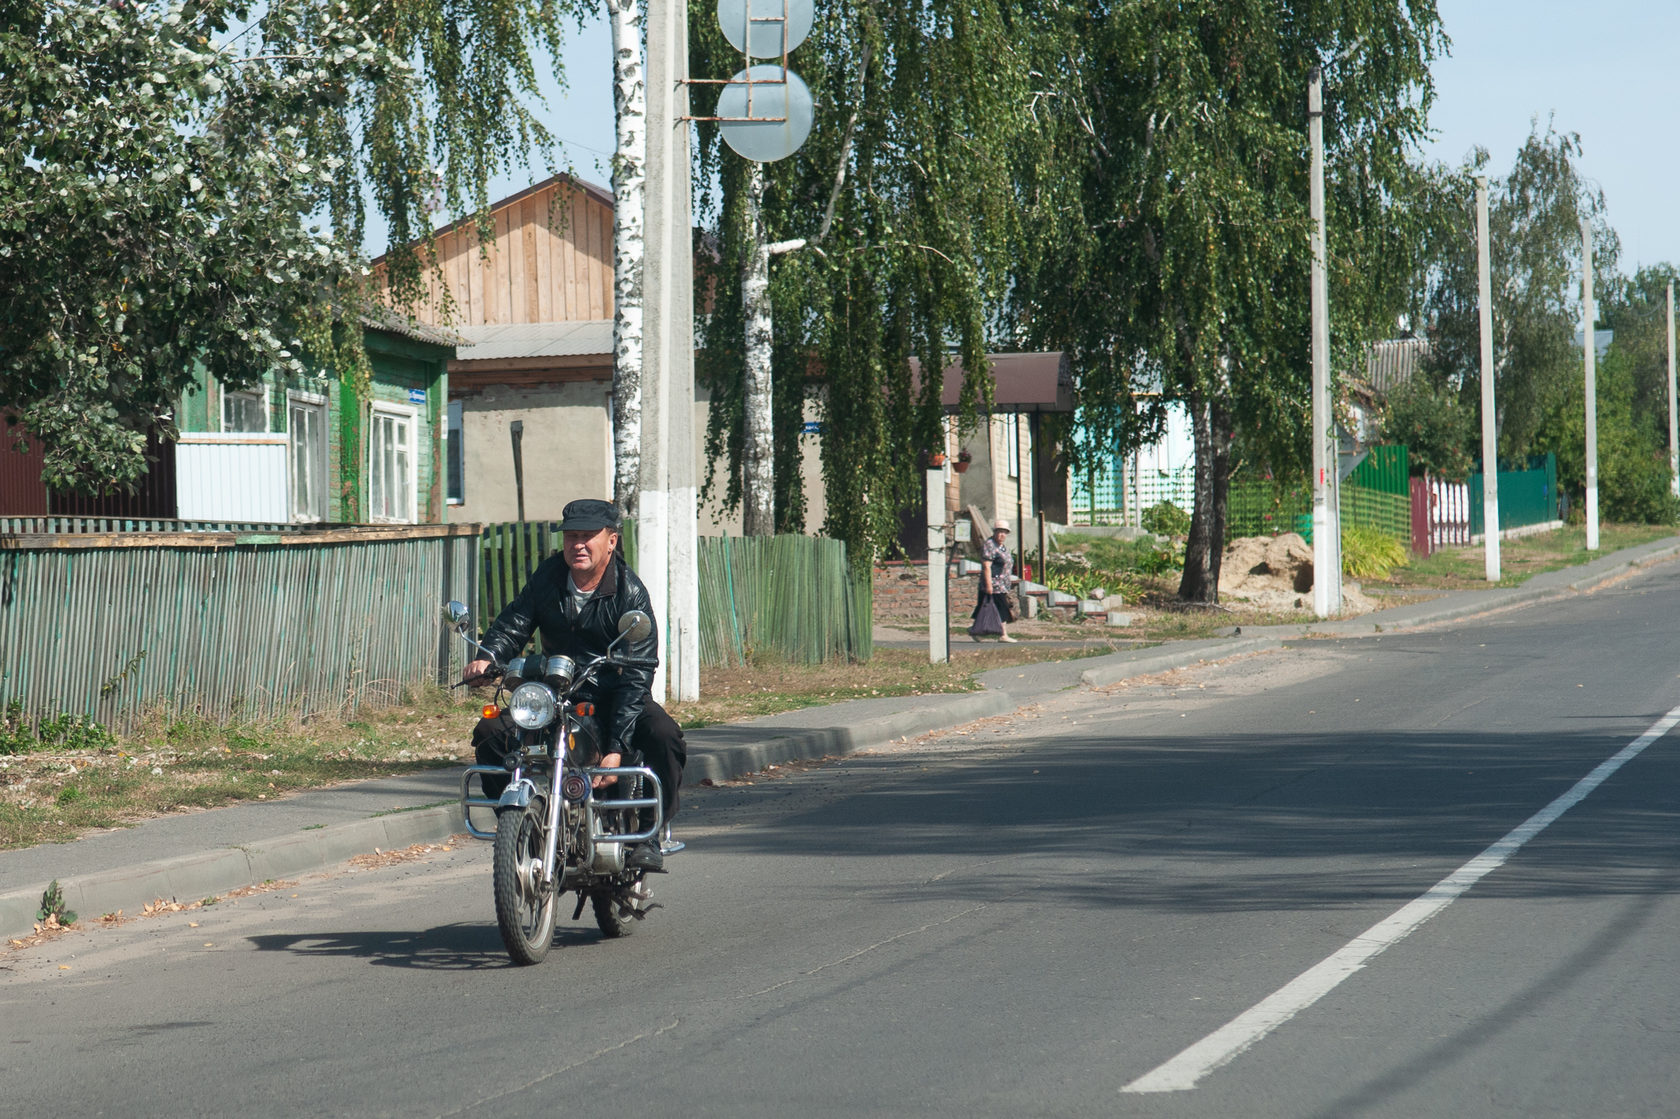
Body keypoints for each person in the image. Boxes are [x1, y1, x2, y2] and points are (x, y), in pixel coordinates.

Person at [463, 498, 685, 871]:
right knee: (490, 731)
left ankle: (648, 836)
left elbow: (637, 675)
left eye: (588, 536)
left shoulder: (629, 592)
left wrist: (617, 746)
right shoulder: (550, 577)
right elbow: (516, 620)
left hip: (614, 694)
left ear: (611, 541)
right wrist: (488, 655)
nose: (578, 545)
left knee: (664, 735)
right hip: (554, 692)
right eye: (571, 536)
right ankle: (516, 825)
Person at [974, 517, 1019, 643]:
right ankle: (1003, 634)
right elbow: (987, 566)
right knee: (1001, 608)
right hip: (994, 584)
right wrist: (989, 586)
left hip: (1002, 584)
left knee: (987, 608)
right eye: (999, 531)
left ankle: (975, 630)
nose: (1001, 534)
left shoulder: (1002, 547)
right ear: (994, 532)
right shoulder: (990, 545)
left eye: (1004, 532)